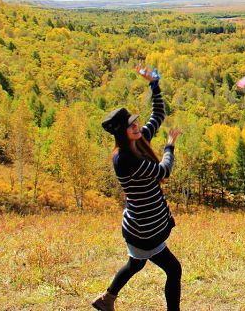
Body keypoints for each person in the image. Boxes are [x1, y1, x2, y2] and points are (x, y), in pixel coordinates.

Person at [93, 67, 183, 311]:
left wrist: (154, 84)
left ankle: (106, 299)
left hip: (138, 224)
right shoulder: (125, 159)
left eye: (135, 122)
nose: (136, 126)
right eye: (130, 125)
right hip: (145, 229)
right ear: (121, 132)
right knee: (174, 269)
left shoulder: (138, 140)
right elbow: (163, 171)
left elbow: (158, 114)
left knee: (136, 263)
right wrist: (169, 146)